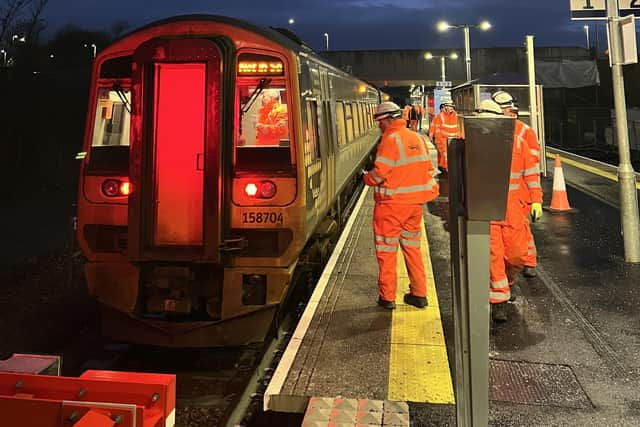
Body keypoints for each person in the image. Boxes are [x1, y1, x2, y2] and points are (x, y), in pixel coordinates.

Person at [363, 101, 440, 309]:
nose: (379, 126)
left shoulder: (390, 139)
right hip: (414, 207)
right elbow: (429, 169)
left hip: (391, 207)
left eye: (380, 122)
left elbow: (379, 174)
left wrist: (366, 178)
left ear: (387, 120)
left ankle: (387, 297)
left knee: (387, 252)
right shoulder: (417, 137)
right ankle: (419, 294)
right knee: (413, 250)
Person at [474, 99, 542, 322]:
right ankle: (498, 301)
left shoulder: (517, 141)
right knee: (493, 257)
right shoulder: (472, 143)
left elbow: (531, 173)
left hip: (513, 207)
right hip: (486, 208)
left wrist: (536, 200)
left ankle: (508, 281)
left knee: (516, 254)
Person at [492, 91, 542, 278]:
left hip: (520, 191)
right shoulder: (519, 130)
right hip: (515, 190)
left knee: (521, 231)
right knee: (517, 232)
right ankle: (525, 262)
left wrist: (534, 195)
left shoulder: (522, 131)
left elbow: (532, 165)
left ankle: (529, 261)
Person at [431, 97, 459, 172]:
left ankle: (447, 170)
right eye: (447, 106)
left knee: (450, 159)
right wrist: (438, 142)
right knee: (445, 158)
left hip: (455, 141)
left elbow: (460, 129)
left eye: (451, 107)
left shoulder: (457, 116)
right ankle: (447, 171)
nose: (449, 108)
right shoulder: (440, 117)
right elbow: (437, 130)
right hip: (444, 142)